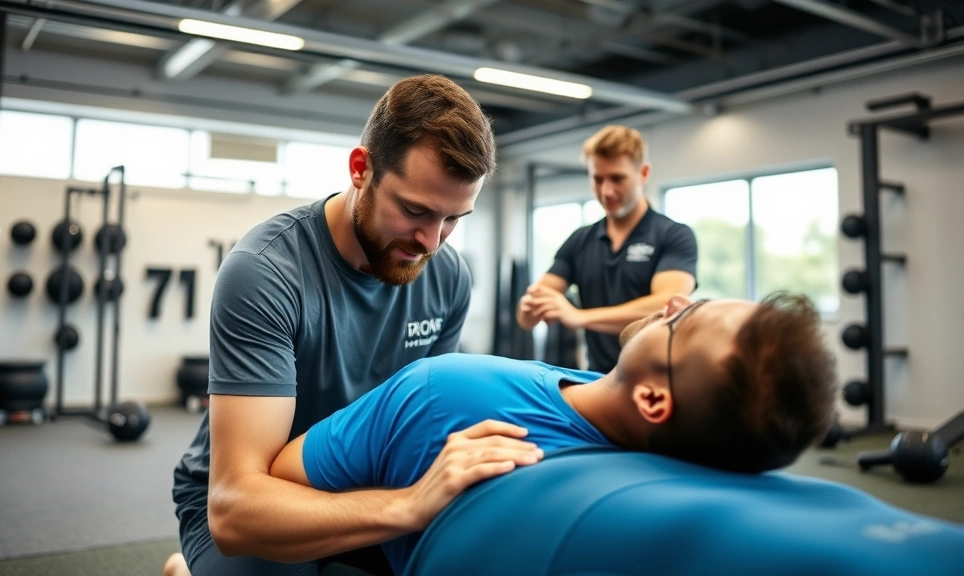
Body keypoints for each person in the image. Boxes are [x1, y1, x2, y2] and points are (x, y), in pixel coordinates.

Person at [165, 75, 543, 576]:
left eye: (454, 218)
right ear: (361, 169)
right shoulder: (265, 271)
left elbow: (423, 426)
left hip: (367, 482)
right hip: (260, 496)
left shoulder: (447, 276)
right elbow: (236, 509)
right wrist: (408, 507)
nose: (431, 242)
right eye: (415, 210)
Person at [270, 292, 838, 576]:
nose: (673, 301)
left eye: (684, 319)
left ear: (652, 401)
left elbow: (280, 477)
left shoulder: (444, 389)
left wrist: (407, 506)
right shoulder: (709, 452)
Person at [518, 125, 698, 373]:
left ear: (643, 173)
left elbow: (667, 305)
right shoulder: (580, 241)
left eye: (617, 178)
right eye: (598, 179)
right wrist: (531, 306)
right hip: (598, 379)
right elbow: (527, 317)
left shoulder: (674, 235)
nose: (606, 191)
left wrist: (579, 316)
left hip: (657, 379)